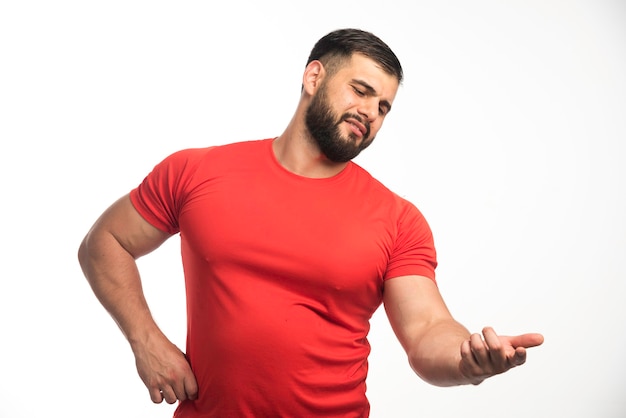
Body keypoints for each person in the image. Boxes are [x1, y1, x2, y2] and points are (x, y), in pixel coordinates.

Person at [78, 28, 544, 417]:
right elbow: (106, 242)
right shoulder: (196, 171)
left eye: (383, 107)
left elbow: (426, 331)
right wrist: (146, 340)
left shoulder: (398, 219)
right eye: (361, 91)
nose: (370, 112)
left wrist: (467, 360)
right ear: (314, 77)